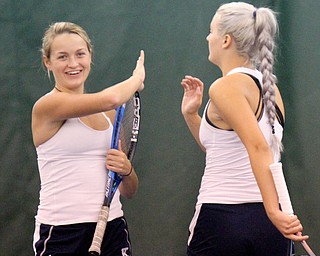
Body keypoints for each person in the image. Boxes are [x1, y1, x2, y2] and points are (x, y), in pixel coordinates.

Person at [180, 2, 308, 255]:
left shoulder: (224, 87)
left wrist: (273, 211)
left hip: (224, 218)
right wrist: (191, 115)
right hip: (268, 223)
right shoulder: (271, 88)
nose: (208, 37)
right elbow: (224, 153)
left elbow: (259, 147)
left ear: (226, 40)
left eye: (212, 31)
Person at [32, 22, 145, 256]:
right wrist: (137, 78)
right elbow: (112, 97)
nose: (73, 64)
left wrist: (126, 170)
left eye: (80, 54)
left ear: (90, 56)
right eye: (62, 56)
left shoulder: (111, 115)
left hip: (112, 227)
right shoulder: (47, 106)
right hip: (62, 233)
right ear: (48, 62)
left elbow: (129, 190)